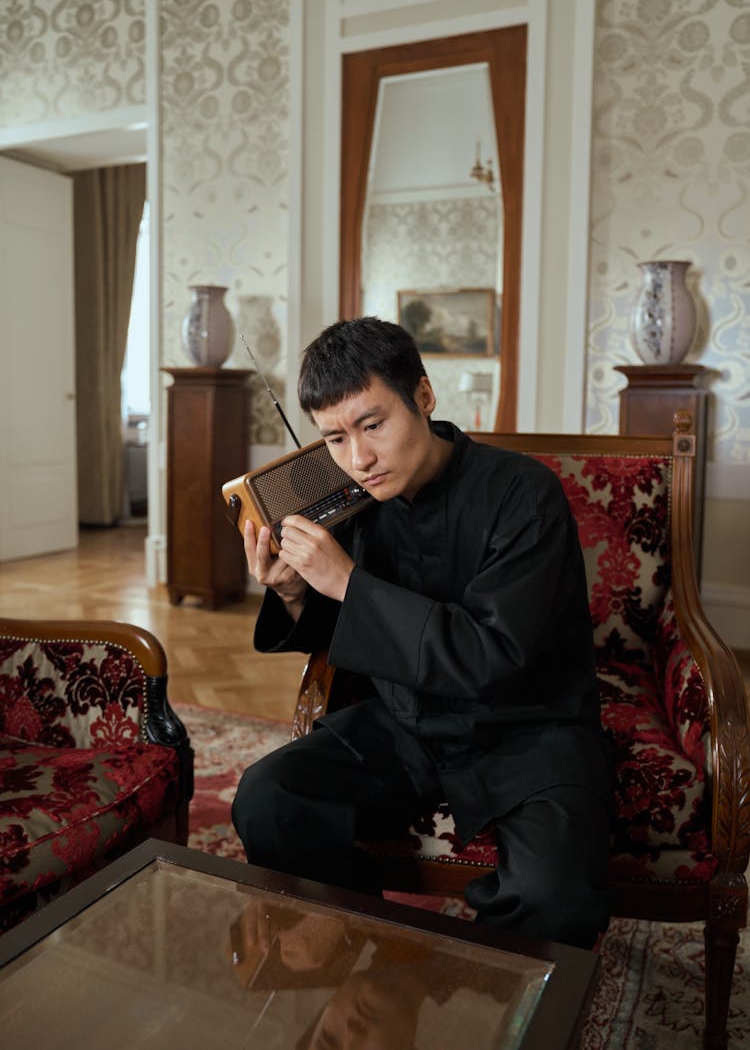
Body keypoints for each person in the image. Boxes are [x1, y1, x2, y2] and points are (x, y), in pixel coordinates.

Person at [232, 316, 613, 949]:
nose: (360, 459)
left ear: (425, 397)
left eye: (373, 424)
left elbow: (496, 655)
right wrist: (295, 589)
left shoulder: (525, 493)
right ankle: (373, 944)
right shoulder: (355, 500)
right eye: (334, 438)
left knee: (554, 898)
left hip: (528, 728)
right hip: (405, 721)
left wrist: (350, 581)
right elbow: (344, 630)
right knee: (268, 797)